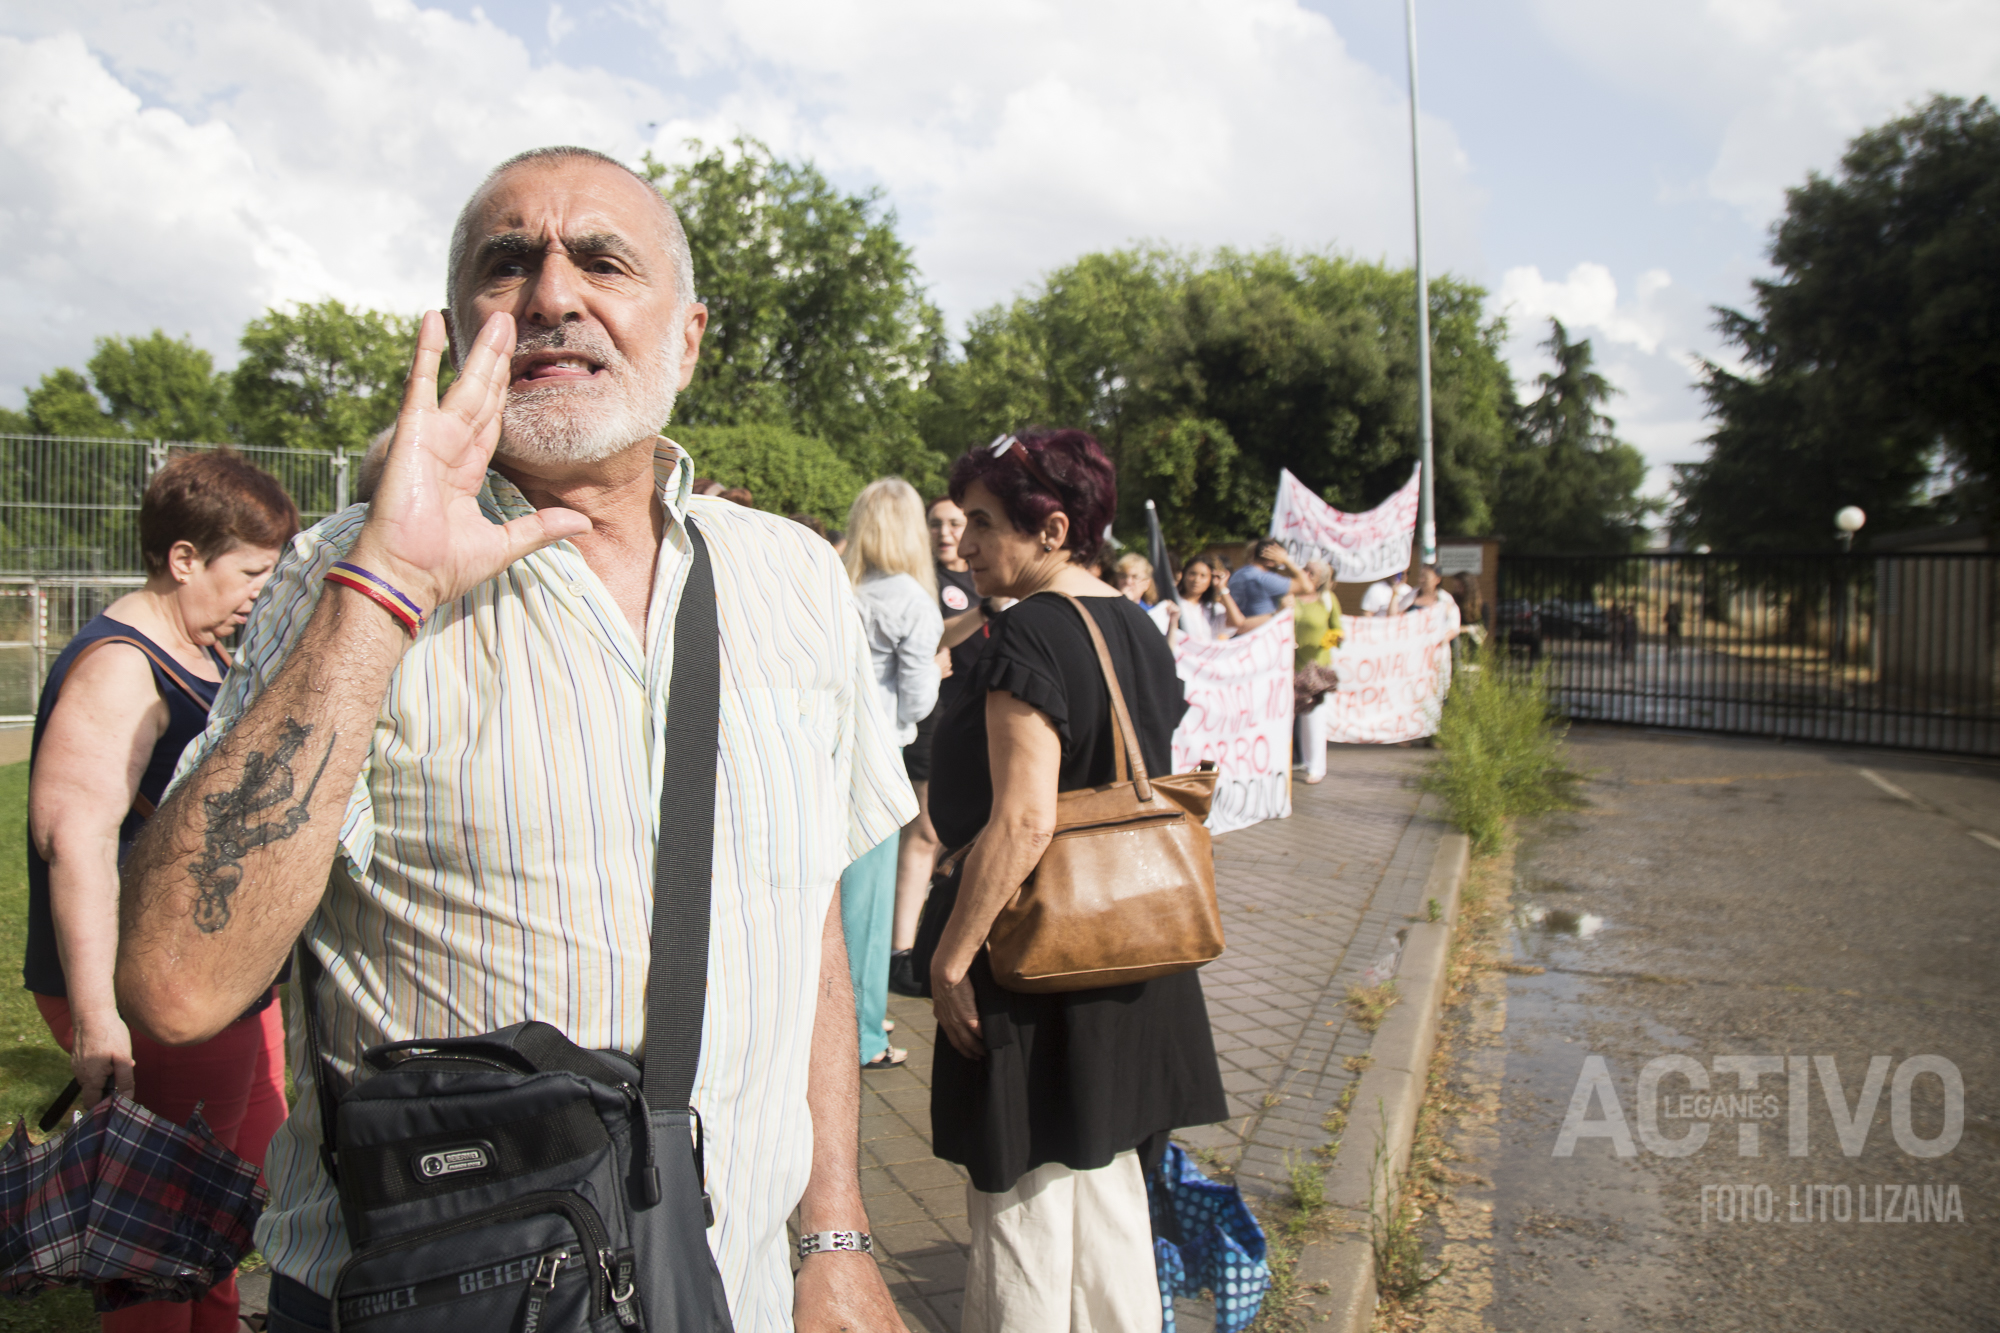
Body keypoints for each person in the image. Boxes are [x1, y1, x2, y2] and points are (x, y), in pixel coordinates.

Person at [114, 146, 915, 1333]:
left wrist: (837, 1231)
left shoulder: (792, 578)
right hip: (442, 1300)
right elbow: (177, 984)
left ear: (685, 338)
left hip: (736, 1293)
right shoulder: (342, 581)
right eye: (508, 265)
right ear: (455, 327)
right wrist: (383, 588)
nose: (551, 295)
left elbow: (801, 924)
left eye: (602, 259)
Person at [925, 428, 1227, 1333]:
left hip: (1038, 958)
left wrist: (947, 958)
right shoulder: (1135, 624)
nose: (964, 544)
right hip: (1131, 945)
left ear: (1052, 529)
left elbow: (1024, 818)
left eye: (982, 523)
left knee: (1023, 1205)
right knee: (1106, 1190)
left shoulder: (1030, 633)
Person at [25, 449, 297, 1333]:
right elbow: (76, 839)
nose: (263, 588)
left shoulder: (195, 646)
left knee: (220, 1217)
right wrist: (101, 1020)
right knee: (158, 1246)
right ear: (185, 559)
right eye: (253, 570)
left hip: (217, 985)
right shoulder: (120, 664)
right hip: (152, 994)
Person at [841, 478, 943, 1070]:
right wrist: (937, 667)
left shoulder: (838, 583)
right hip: (879, 760)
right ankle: (864, 1036)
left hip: (830, 751)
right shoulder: (911, 599)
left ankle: (854, 1019)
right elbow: (915, 705)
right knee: (869, 908)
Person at [888, 496, 984, 996]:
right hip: (935, 720)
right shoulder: (921, 581)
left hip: (978, 719)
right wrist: (986, 611)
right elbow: (932, 640)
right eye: (935, 523)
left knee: (954, 838)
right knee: (924, 834)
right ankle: (900, 953)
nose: (945, 532)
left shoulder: (980, 574)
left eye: (955, 523)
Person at [1292, 560, 1342, 785]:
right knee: (1291, 718)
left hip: (1316, 668)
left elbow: (1337, 628)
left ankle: (1316, 766)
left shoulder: (1328, 600)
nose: (1305, 573)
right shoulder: (1291, 597)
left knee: (1313, 718)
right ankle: (1298, 759)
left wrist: (1330, 640)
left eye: (1310, 571)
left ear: (1320, 578)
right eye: (1304, 568)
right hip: (1290, 665)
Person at [1226, 538, 1312, 629]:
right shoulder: (1264, 578)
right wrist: (1286, 561)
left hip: (1239, 635)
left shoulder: (1237, 574)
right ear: (1271, 560)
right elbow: (1307, 587)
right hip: (1260, 635)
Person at [1174, 556, 1244, 642]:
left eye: (1203, 576)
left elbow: (1237, 622)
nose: (1196, 580)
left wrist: (1222, 588)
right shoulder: (1173, 604)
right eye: (1192, 574)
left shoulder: (1213, 608)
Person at [1114, 551, 1177, 636]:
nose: (1128, 581)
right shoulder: (1108, 607)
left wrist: (1173, 622)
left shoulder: (1152, 613)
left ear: (1146, 584)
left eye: (1135, 577)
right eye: (1123, 576)